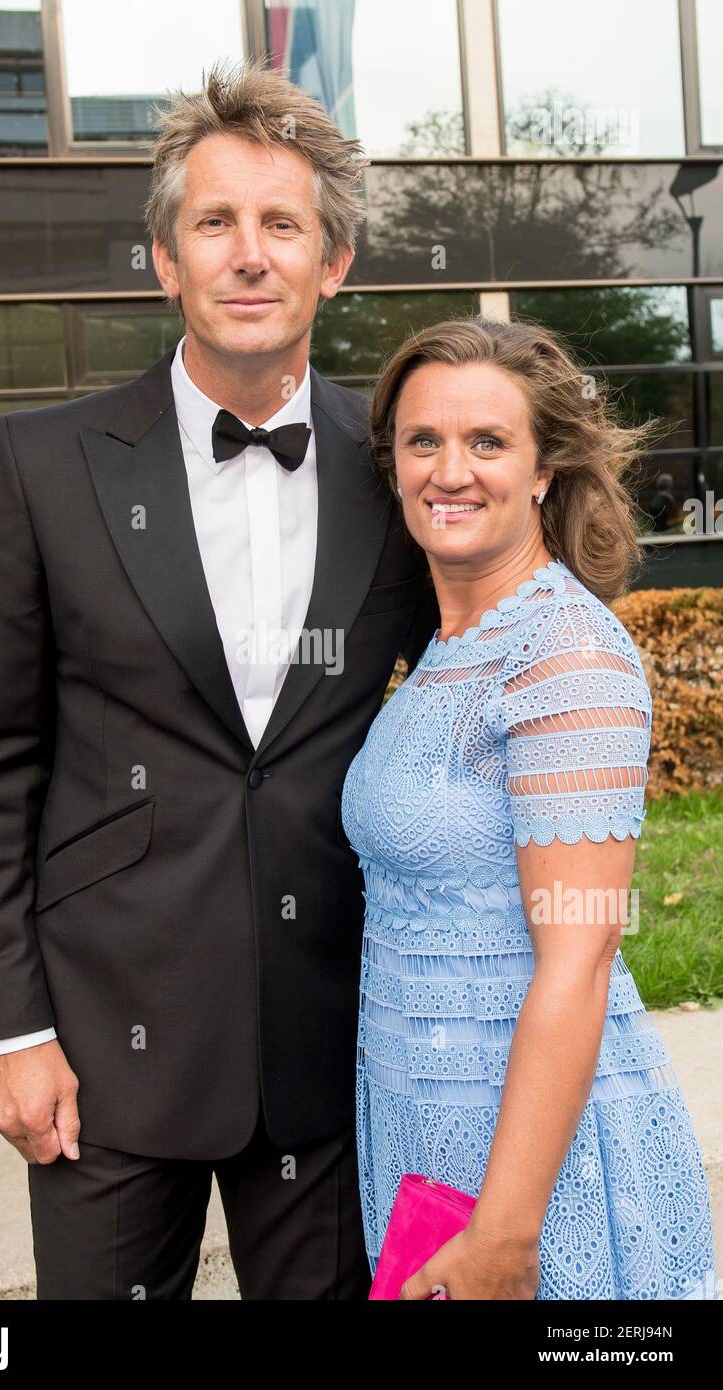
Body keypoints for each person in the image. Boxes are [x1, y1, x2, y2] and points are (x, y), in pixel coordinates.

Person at [0, 58, 437, 1300]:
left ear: (335, 265)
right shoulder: (42, 461)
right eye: (215, 222)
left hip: (332, 1048)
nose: (248, 254)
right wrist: (11, 1027)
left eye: (283, 225)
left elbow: (483, 679)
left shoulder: (403, 465)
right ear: (165, 260)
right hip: (103, 1054)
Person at [341, 316, 718, 1299]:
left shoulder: (562, 655)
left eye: (487, 442)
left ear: (544, 468)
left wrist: (507, 1231)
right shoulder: (448, 642)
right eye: (423, 440)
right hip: (424, 1132)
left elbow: (578, 954)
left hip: (540, 1170)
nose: (449, 470)